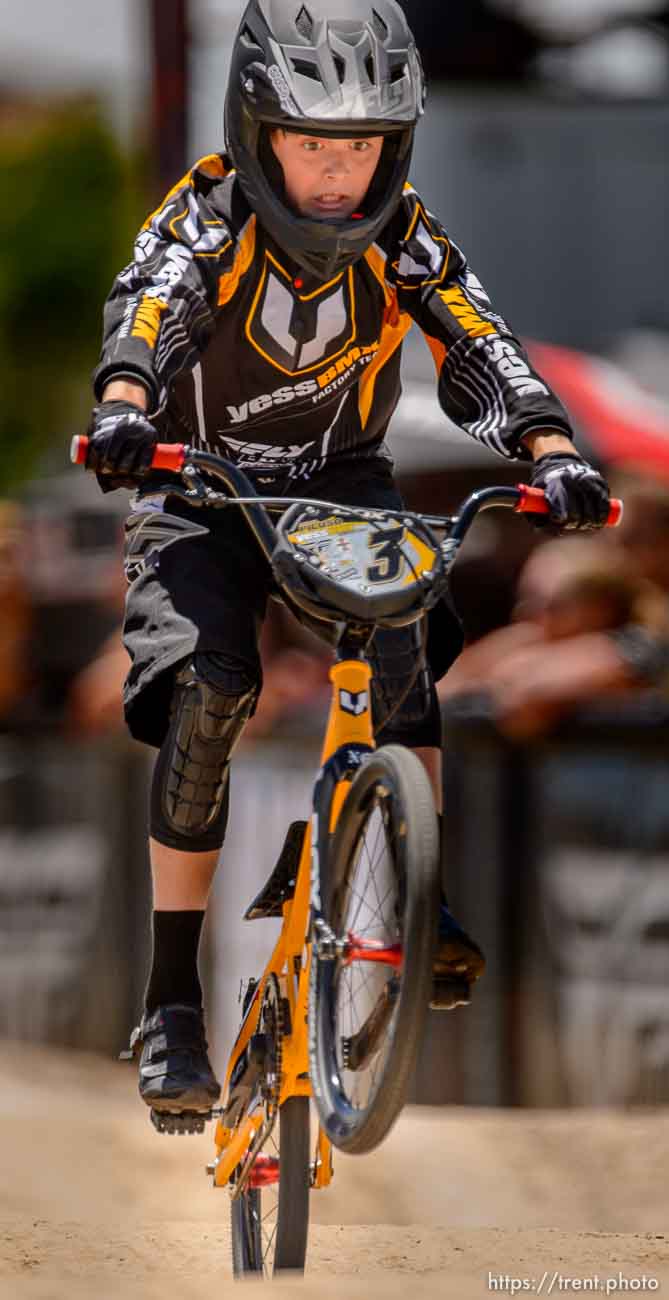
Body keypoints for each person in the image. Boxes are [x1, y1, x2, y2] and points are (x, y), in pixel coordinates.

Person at [83, 0, 611, 1119]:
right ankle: (172, 998)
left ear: (398, 144)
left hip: (341, 486)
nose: (337, 172)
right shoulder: (208, 214)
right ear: (256, 126)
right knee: (211, 687)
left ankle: (416, 899)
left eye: (361, 145)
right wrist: (125, 406)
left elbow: (479, 335)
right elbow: (148, 311)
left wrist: (554, 448)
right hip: (198, 484)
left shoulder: (403, 230)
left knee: (409, 635)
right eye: (313, 142)